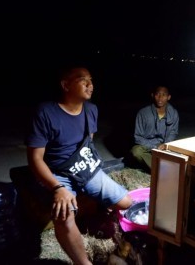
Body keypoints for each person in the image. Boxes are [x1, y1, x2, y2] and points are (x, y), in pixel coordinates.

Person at [25, 66, 132, 265]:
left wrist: (90, 175)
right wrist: (57, 188)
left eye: (91, 80)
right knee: (64, 215)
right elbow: (35, 159)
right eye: (83, 80)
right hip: (58, 172)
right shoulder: (45, 112)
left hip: (84, 167)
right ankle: (83, 262)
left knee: (126, 203)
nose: (90, 85)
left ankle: (104, 220)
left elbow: (87, 145)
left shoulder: (92, 110)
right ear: (65, 85)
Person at [130, 85, 179, 170]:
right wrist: (155, 146)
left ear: (168, 97)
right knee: (136, 151)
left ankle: (162, 165)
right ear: (153, 95)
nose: (160, 98)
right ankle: (159, 169)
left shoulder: (174, 113)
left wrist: (165, 145)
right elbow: (137, 137)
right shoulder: (143, 113)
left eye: (164, 95)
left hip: (165, 145)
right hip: (147, 145)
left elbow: (173, 132)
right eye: (157, 94)